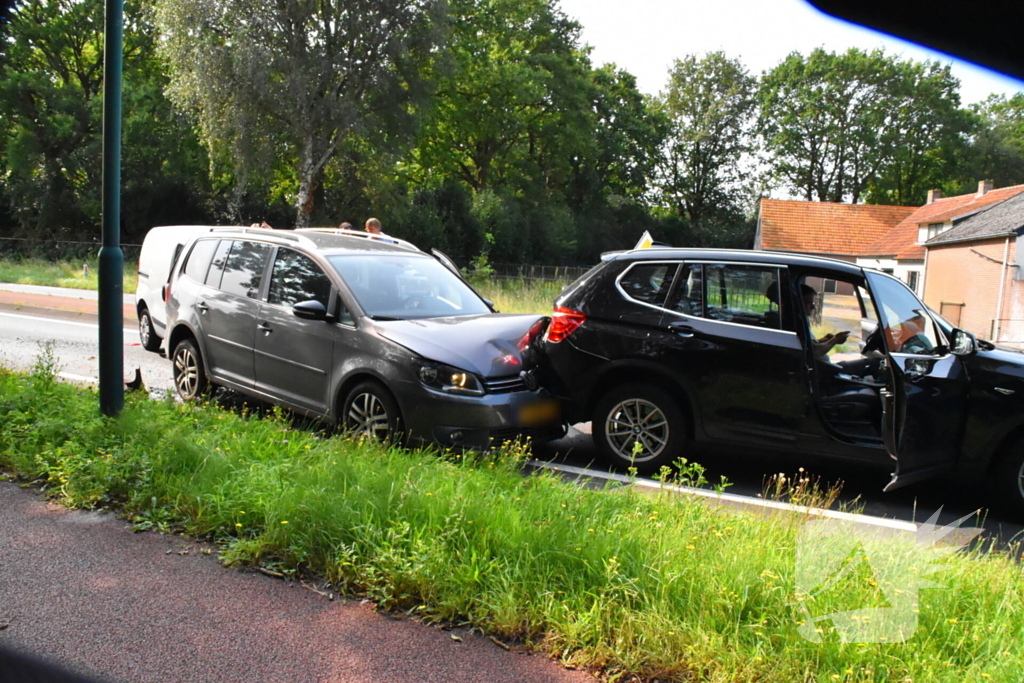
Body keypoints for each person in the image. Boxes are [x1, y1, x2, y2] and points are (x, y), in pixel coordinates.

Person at [801, 284, 849, 358]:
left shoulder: (801, 320)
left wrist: (824, 340)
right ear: (799, 303)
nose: (813, 307)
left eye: (812, 303)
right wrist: (835, 340)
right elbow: (814, 352)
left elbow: (809, 345)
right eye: (809, 303)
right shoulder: (795, 323)